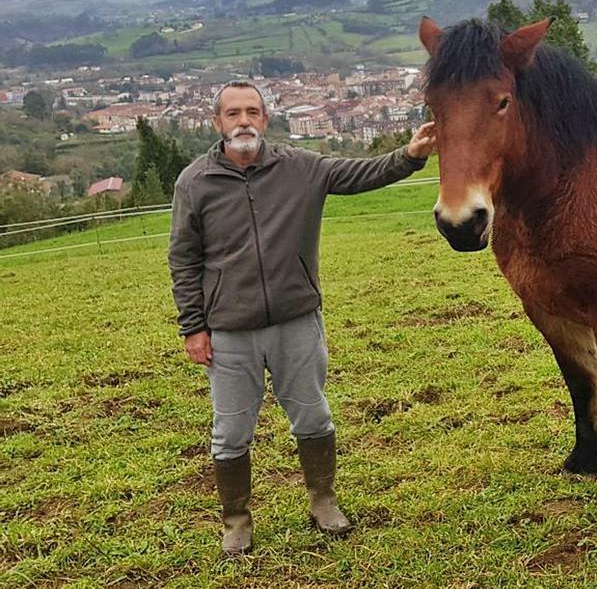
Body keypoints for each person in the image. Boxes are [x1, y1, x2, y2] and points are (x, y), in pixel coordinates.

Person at [168, 81, 436, 555]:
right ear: (217, 123)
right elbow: (184, 261)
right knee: (230, 433)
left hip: (296, 322)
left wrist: (410, 155)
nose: (244, 121)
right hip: (230, 331)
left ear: (266, 119)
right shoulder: (195, 182)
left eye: (253, 111)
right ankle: (236, 520)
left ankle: (323, 501)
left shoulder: (301, 167)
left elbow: (359, 174)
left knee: (312, 416)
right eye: (233, 114)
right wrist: (193, 326)